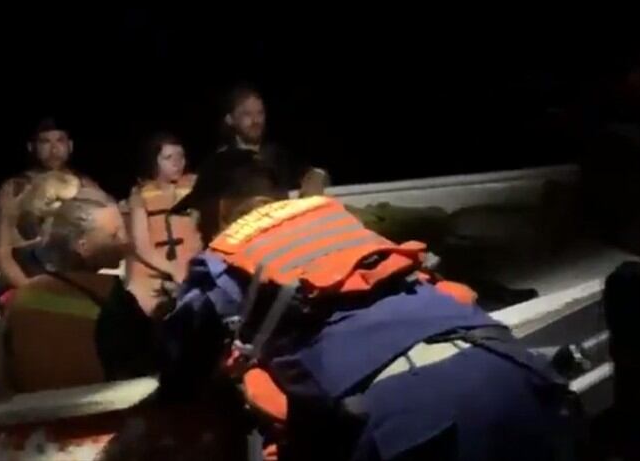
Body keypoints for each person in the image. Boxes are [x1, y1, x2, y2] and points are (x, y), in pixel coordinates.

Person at [159, 149, 577, 461]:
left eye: (198, 215)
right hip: (518, 377)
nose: (197, 227)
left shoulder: (223, 259)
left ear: (221, 208)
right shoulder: (341, 225)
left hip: (409, 428)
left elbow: (179, 371)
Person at [0, 172, 155, 397]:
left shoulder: (24, 295)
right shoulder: (111, 294)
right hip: (91, 413)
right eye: (114, 235)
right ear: (82, 245)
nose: (125, 241)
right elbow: (146, 365)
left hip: (33, 413)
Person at [0, 118, 99, 289]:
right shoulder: (15, 189)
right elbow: (1, 254)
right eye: (45, 142)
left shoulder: (86, 185)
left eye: (60, 140)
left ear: (70, 146)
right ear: (31, 147)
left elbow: (105, 241)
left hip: (76, 279)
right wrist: (29, 289)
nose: (54, 149)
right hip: (29, 277)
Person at [126, 133, 201, 316]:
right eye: (168, 158)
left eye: (180, 157)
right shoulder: (140, 195)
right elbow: (141, 245)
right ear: (155, 162)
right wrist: (172, 269)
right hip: (153, 271)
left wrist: (185, 270)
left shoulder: (198, 188)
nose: (177, 163)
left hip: (191, 268)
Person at [218, 84, 329, 195]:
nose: (256, 120)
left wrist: (316, 177)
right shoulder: (220, 163)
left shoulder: (277, 154)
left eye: (260, 113)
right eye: (247, 114)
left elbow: (312, 172)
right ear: (230, 120)